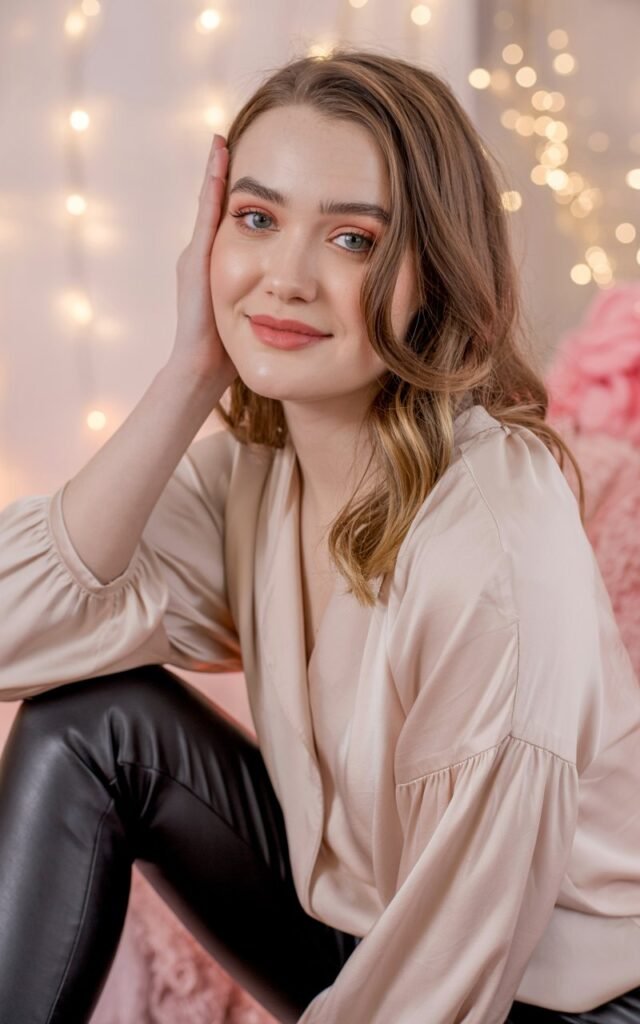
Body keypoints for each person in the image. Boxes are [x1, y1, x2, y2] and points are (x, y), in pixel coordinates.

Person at [0, 47, 639, 1024]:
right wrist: (185, 375)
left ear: (434, 270)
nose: (285, 277)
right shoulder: (260, 476)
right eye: (255, 220)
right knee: (89, 723)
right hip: (373, 934)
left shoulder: (492, 547)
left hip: (541, 999)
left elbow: (449, 974)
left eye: (352, 239)